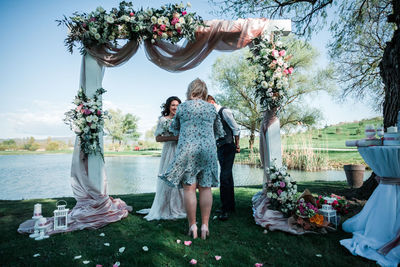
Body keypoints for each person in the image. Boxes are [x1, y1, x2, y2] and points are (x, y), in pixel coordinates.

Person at [160, 78, 225, 240]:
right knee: (205, 188)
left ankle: (192, 226)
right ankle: (205, 226)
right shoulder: (211, 109)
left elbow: (174, 128)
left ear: (191, 90)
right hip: (208, 151)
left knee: (189, 189)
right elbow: (219, 131)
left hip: (188, 150)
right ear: (204, 91)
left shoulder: (182, 107)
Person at [136, 96, 186, 220]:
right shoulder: (163, 120)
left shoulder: (183, 119)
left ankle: (180, 206)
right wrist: (174, 138)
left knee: (180, 178)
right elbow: (158, 138)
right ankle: (165, 207)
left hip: (181, 151)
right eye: (173, 105)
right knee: (167, 176)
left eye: (178, 105)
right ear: (168, 106)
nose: (175, 107)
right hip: (169, 151)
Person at [207, 95, 240, 221]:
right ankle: (230, 206)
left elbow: (236, 128)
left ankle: (225, 209)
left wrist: (237, 145)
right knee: (228, 177)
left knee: (224, 177)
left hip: (228, 146)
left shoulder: (224, 111)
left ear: (212, 102)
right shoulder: (213, 115)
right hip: (220, 147)